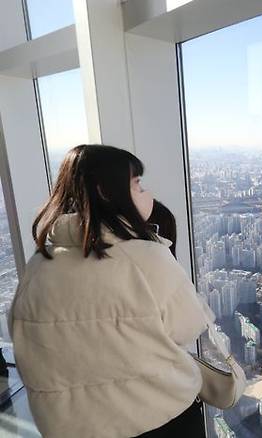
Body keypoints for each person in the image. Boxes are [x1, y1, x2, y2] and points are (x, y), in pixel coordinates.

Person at [8, 145, 218, 438]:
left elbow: (28, 339)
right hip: (156, 418)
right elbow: (187, 328)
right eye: (137, 184)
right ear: (105, 192)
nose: (146, 193)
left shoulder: (38, 264)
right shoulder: (146, 257)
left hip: (71, 427)